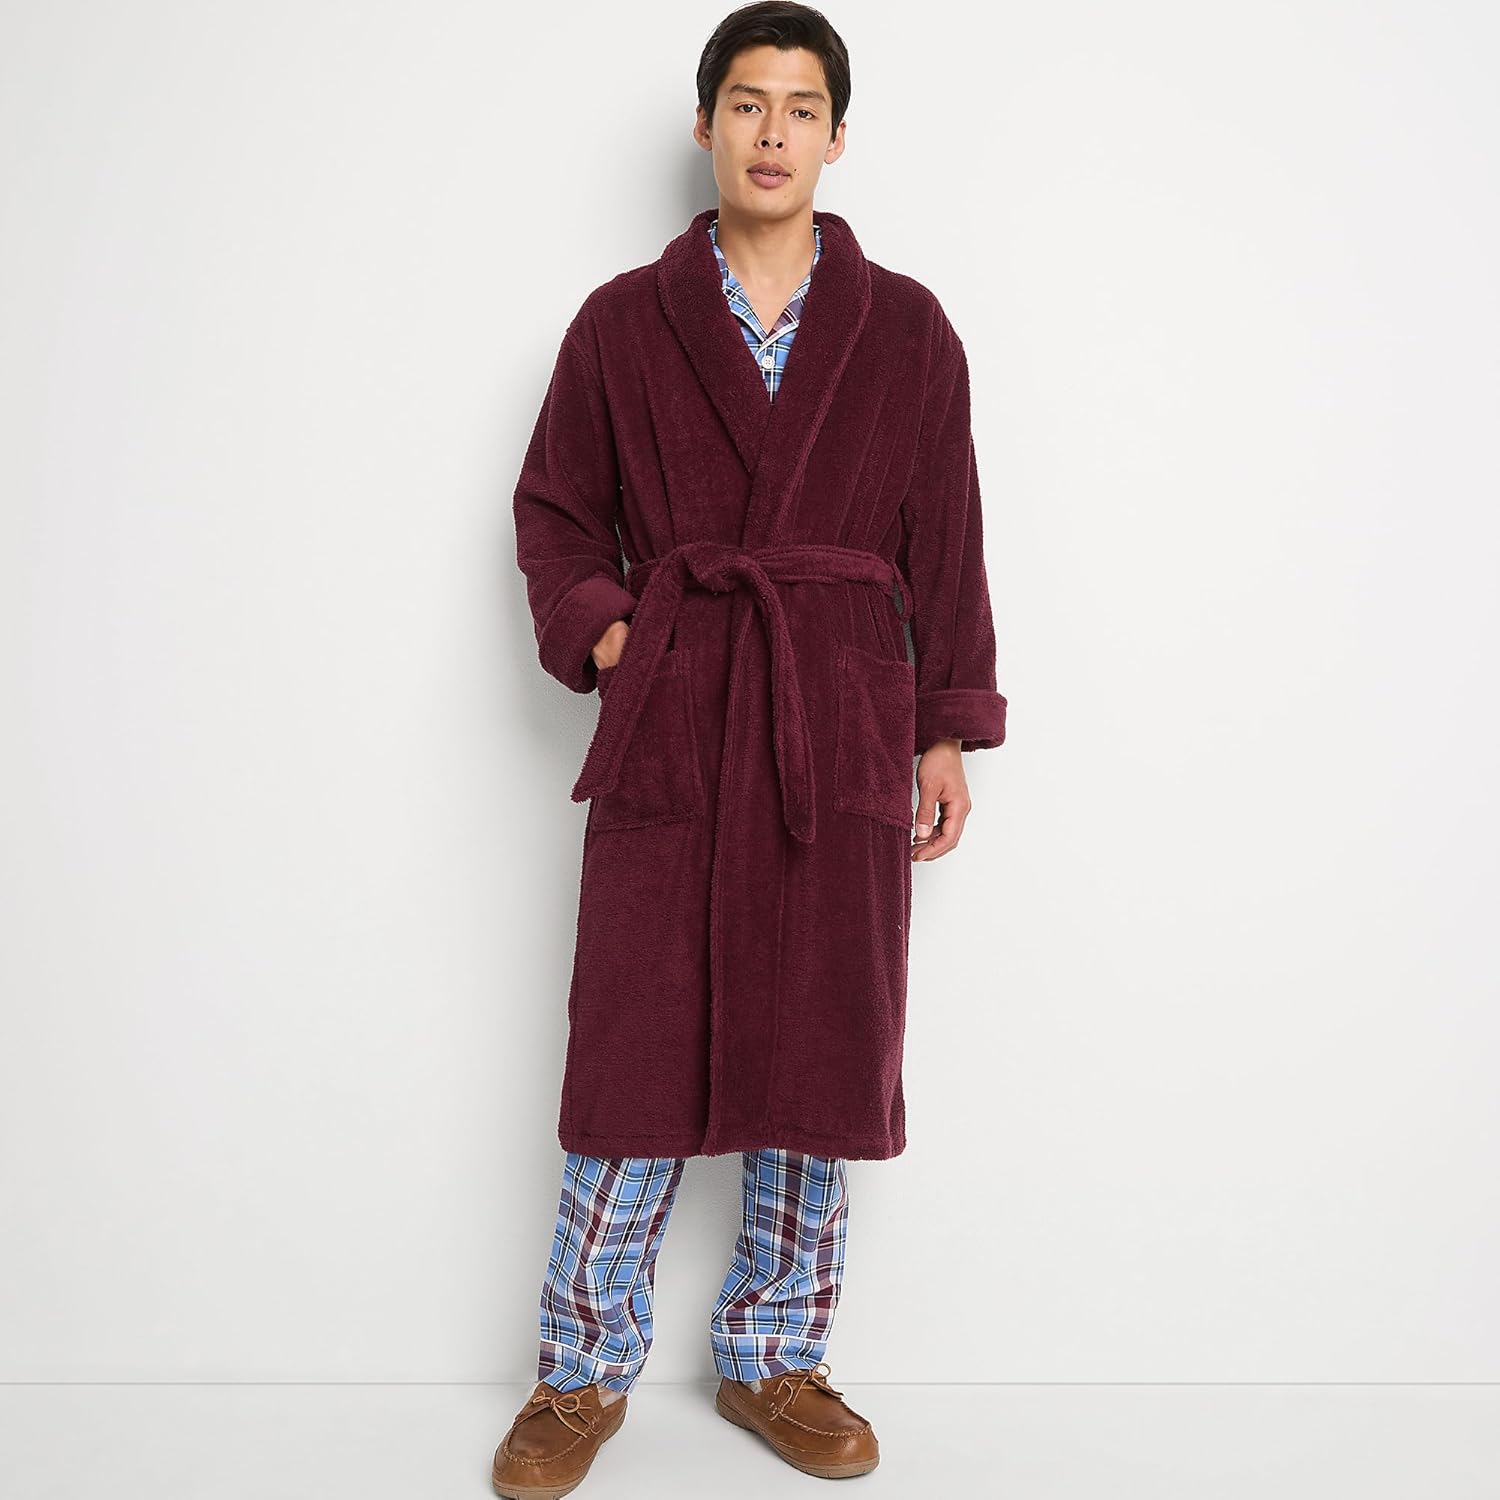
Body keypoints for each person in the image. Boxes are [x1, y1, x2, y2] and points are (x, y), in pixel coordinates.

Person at [493, 3, 1007, 1494]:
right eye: (746, 104)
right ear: (706, 124)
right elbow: (555, 514)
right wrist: (615, 637)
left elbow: (946, 539)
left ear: (838, 137)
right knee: (634, 1041)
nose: (772, 133)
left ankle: (775, 1355)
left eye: (801, 108)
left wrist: (944, 727)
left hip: (833, 719)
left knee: (817, 1039)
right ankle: (580, 1372)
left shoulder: (906, 330)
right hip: (681, 710)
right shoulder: (620, 324)